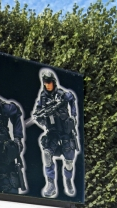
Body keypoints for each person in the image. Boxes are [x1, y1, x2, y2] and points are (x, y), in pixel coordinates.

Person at [32, 69, 79, 198]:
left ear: (53, 82)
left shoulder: (61, 94)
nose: (47, 85)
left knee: (69, 160)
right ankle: (51, 184)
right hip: (52, 132)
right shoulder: (42, 97)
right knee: (47, 154)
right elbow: (37, 114)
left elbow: (72, 98)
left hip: (65, 132)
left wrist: (74, 116)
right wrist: (41, 118)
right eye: (45, 83)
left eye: (49, 83)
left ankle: (68, 181)